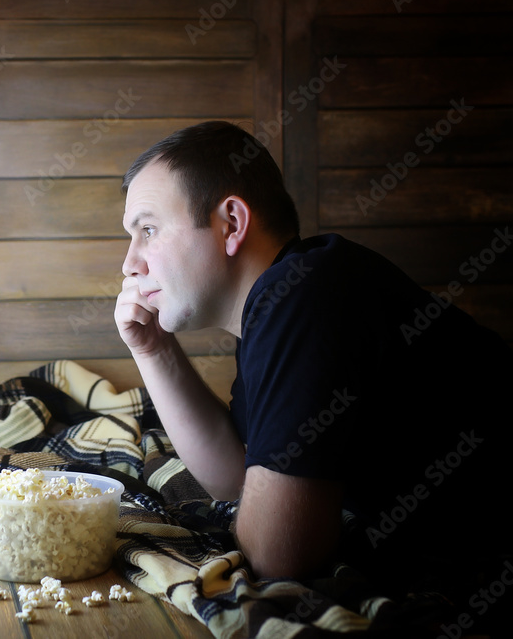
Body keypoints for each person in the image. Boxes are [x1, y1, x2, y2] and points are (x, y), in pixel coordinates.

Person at [114, 120, 512, 618]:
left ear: (231, 224)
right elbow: (232, 479)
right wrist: (153, 349)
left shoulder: (307, 294)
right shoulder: (279, 300)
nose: (130, 263)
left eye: (148, 230)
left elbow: (280, 556)